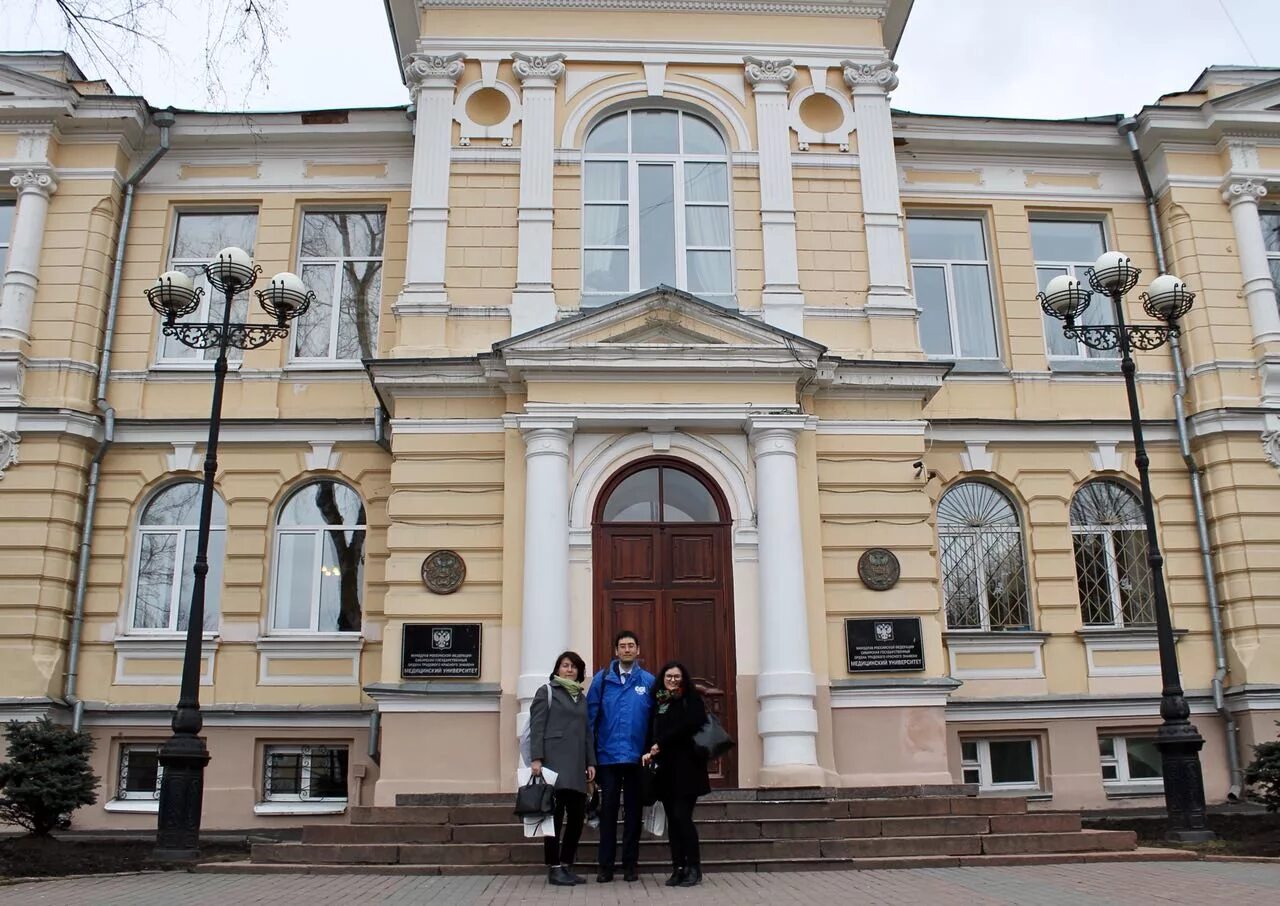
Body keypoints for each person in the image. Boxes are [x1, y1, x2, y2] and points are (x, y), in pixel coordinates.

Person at [586, 630, 655, 883]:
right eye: (622, 646)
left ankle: (629, 865)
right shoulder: (601, 681)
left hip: (637, 759)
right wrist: (590, 758)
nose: (627, 650)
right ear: (616, 651)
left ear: (638, 650)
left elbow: (655, 721)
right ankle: (605, 866)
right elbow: (590, 720)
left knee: (634, 815)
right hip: (607, 758)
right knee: (608, 814)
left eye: (631, 646)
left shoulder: (648, 681)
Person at [529, 650, 596, 887]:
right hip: (553, 763)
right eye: (565, 665)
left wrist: (591, 762)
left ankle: (567, 864)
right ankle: (554, 867)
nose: (569, 669)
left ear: (579, 671)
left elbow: (587, 732)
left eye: (574, 666)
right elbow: (537, 727)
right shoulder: (546, 692)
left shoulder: (581, 696)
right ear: (557, 669)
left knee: (577, 818)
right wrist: (536, 758)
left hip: (577, 764)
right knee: (553, 819)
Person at [642, 660, 710, 887]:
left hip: (688, 769)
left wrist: (661, 743)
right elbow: (653, 730)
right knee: (673, 820)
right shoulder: (660, 702)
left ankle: (694, 868)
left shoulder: (691, 699)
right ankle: (678, 867)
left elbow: (690, 724)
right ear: (662, 679)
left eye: (677, 677)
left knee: (683, 817)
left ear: (684, 679)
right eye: (669, 676)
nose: (672, 680)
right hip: (666, 771)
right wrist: (649, 749)